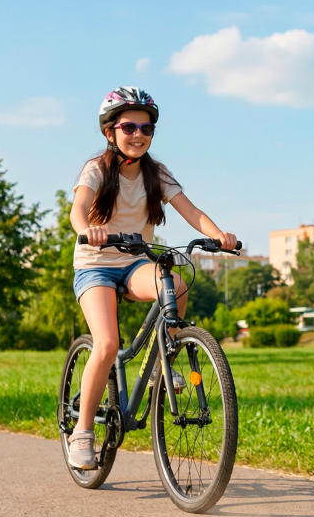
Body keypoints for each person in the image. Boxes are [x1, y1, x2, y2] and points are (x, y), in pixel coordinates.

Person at [67, 86, 242, 470]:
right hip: (95, 263)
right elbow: (78, 209)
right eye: (129, 127)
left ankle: (166, 360)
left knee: (175, 284)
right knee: (107, 343)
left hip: (134, 263)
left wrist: (218, 235)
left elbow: (190, 211)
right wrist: (87, 229)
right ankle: (82, 432)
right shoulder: (96, 169)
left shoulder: (155, 174)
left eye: (146, 129)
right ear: (110, 131)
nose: (138, 135)